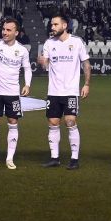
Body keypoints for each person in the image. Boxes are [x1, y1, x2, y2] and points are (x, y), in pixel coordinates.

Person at [37, 15, 90, 170]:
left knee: (70, 122)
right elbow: (46, 66)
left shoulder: (77, 42)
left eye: (55, 24)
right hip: (53, 91)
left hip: (70, 91)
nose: (52, 27)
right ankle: (55, 158)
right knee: (53, 123)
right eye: (51, 24)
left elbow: (86, 64)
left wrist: (86, 84)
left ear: (65, 25)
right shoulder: (49, 43)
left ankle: (74, 159)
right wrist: (42, 62)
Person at [0, 18, 31, 170]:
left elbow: (27, 68)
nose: (4, 32)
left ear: (16, 33)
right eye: (4, 29)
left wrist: (27, 84)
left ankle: (10, 159)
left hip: (12, 94)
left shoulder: (22, 50)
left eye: (8, 30)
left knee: (13, 122)